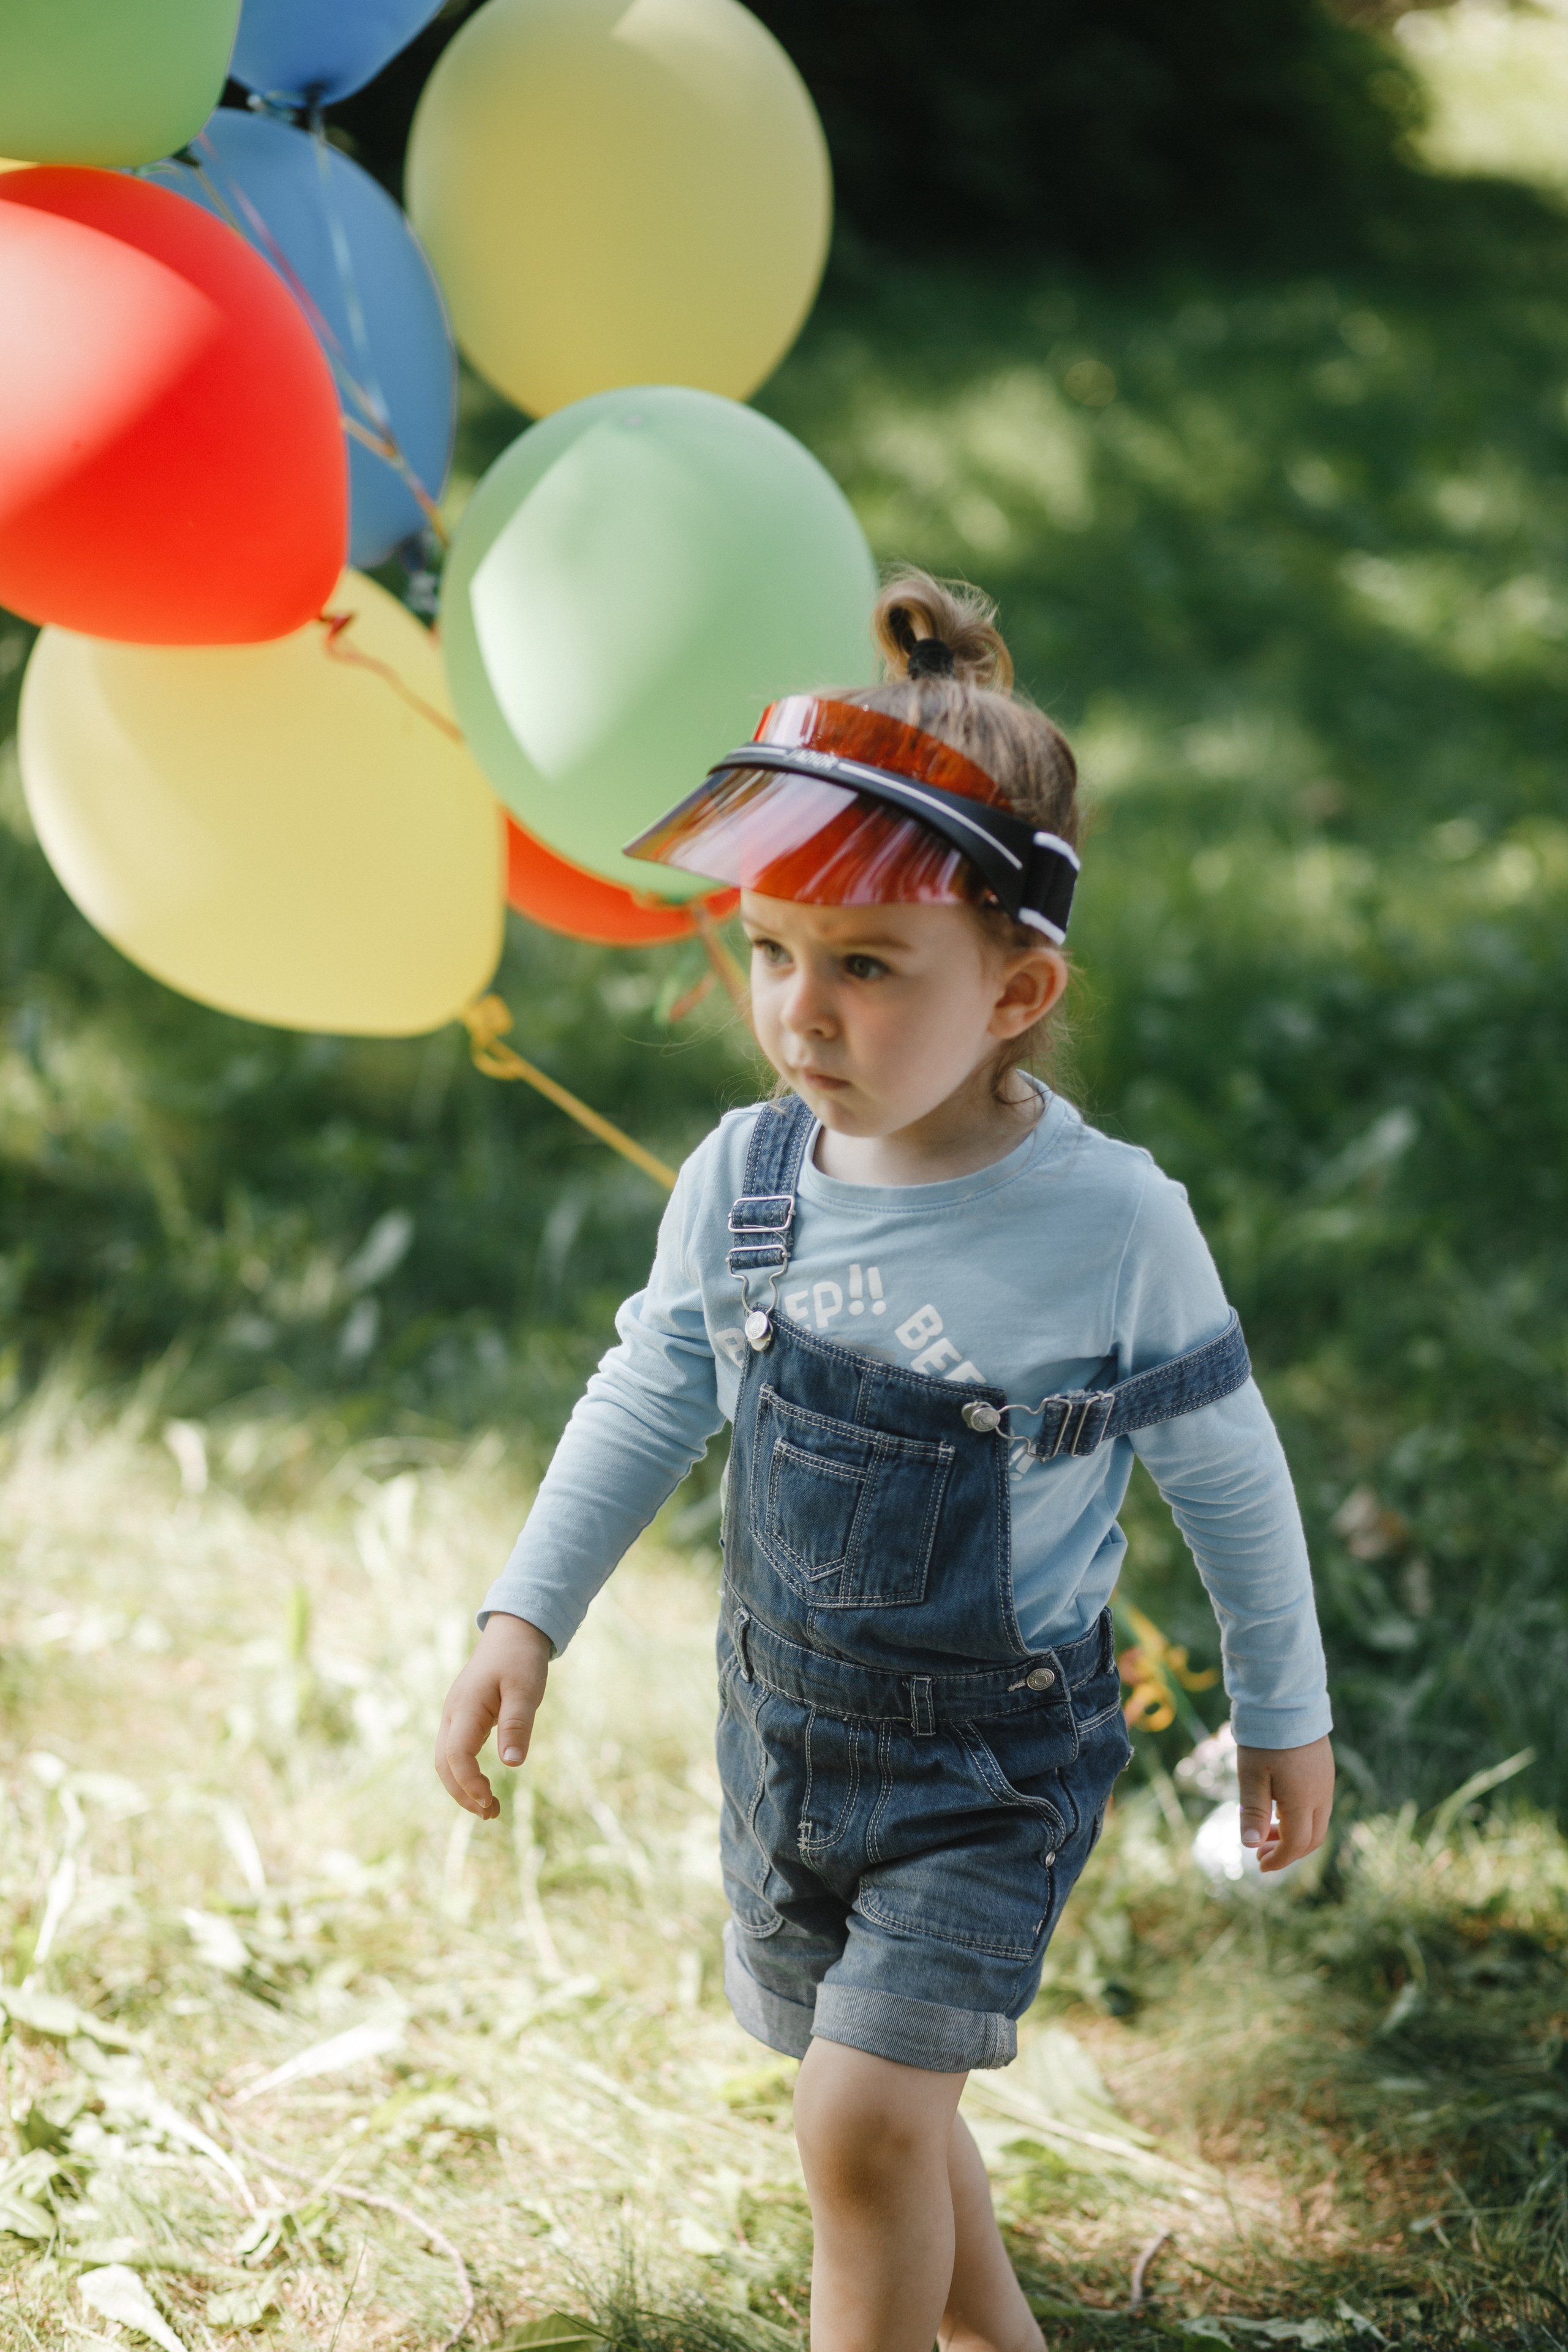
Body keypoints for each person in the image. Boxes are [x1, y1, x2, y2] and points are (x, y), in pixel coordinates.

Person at [435, 571, 1335, 2352]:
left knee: (853, 2121)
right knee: (894, 2116)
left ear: (1019, 990)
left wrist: (1285, 1708)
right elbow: (649, 1393)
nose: (800, 1015)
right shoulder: (744, 1182)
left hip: (992, 1770)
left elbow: (1227, 1469)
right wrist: (522, 1614)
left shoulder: (1108, 1225)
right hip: (788, 1738)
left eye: (865, 967)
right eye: (770, 953)